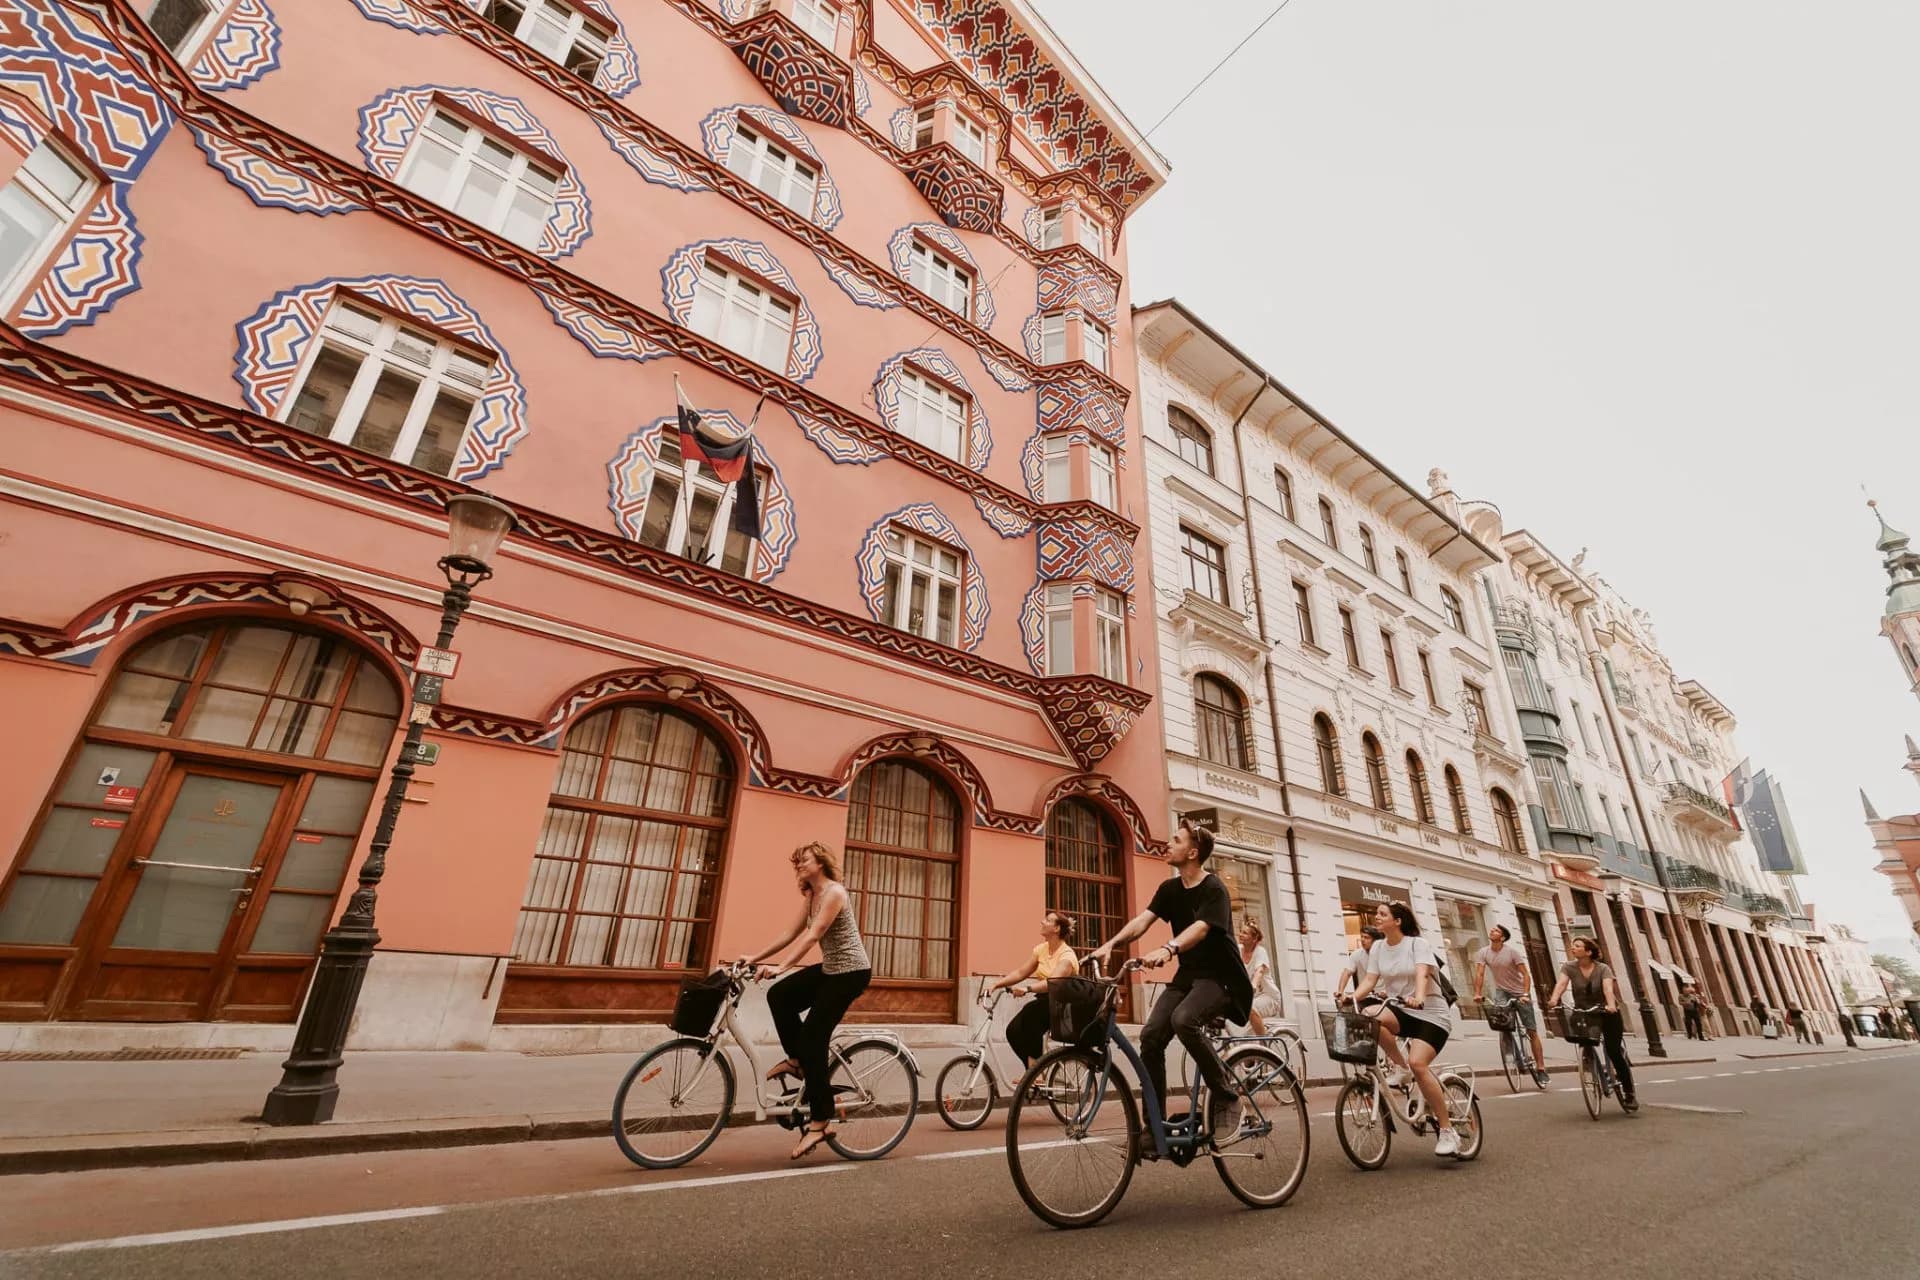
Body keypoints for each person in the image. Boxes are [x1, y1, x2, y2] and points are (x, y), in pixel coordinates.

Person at [1087, 819, 1252, 1138]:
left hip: (1222, 979)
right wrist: (1110, 944)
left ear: (1192, 852)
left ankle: (1227, 1096)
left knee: (1184, 1020)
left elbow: (1202, 927)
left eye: (1175, 840)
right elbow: (1142, 921)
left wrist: (1170, 947)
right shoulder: (1170, 889)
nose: (1168, 843)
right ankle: (1154, 1127)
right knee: (1150, 1036)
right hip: (1188, 977)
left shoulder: (1214, 888)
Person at [746, 841, 873, 1159]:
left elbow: (813, 935)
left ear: (821, 862)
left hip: (851, 973)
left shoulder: (834, 893)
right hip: (831, 970)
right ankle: (798, 1060)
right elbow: (790, 933)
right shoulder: (812, 895)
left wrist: (783, 967)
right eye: (797, 862)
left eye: (804, 860)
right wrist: (756, 956)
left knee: (815, 1037)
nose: (799, 865)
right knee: (780, 995)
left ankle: (820, 1122)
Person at [1348, 900, 1461, 1157]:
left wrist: (1419, 996)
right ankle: (1400, 1067)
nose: (1377, 917)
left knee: (1419, 1064)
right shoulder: (1378, 947)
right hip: (1402, 1010)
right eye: (1377, 913)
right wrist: (1352, 997)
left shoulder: (1416, 944)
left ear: (1397, 921)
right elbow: (1370, 979)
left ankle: (1447, 1131)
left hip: (1431, 1014)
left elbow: (1422, 973)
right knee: (1369, 1015)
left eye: (1382, 914)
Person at [1548, 936, 1637, 1112]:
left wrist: (1611, 1005)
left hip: (1606, 1012)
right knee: (1583, 1040)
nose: (1573, 948)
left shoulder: (1603, 968)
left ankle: (1629, 1092)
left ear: (1588, 951)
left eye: (1577, 946)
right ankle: (1590, 1065)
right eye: (1573, 946)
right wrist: (1554, 998)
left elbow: (1607, 989)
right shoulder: (1569, 967)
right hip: (1584, 1013)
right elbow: (1562, 983)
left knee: (1613, 1051)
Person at [987, 910, 1079, 1068]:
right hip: (1044, 1001)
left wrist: (1027, 989)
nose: (1042, 922)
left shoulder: (1067, 956)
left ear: (1056, 929)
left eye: (1047, 920)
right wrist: (997, 984)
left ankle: (1037, 1074)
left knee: (1030, 1017)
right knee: (1013, 1031)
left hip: (1061, 1004)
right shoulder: (1041, 949)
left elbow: (1052, 982)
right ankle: (1032, 1071)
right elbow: (1021, 972)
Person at [1474, 924, 1549, 1087]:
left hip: (1519, 991)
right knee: (1502, 1024)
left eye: (1496, 931)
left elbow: (1525, 974)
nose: (1492, 931)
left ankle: (1541, 1068)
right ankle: (1515, 1057)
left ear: (1502, 937)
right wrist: (1477, 993)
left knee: (1531, 1030)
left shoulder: (1512, 952)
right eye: (1492, 929)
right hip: (1501, 991)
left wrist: (1526, 993)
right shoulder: (1484, 952)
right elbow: (1480, 973)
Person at [1238, 921, 1284, 1035]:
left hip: (1270, 997)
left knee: (1250, 1008)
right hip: (1253, 999)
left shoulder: (1260, 951)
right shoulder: (1238, 950)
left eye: (1245, 933)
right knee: (1244, 1038)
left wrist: (1253, 985)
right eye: (1241, 932)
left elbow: (1260, 971)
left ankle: (1265, 1046)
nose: (1240, 935)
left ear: (1254, 939)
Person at [1333, 927, 1385, 1003]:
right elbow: (1347, 973)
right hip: (1366, 995)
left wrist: (1386, 991)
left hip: (1385, 996)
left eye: (1367, 937)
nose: (1362, 940)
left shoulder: (1385, 954)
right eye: (1362, 937)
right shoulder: (1357, 954)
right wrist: (1340, 991)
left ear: (1375, 941)